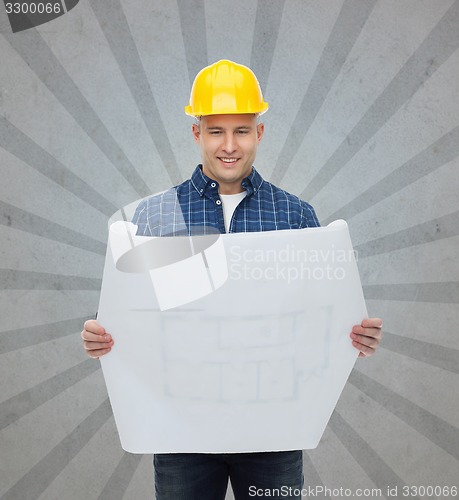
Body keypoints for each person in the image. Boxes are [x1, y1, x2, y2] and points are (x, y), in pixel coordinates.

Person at [81, 60, 383, 499]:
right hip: (180, 430)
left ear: (259, 133)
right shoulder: (155, 217)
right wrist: (100, 333)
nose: (229, 145)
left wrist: (353, 335)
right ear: (196, 133)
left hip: (273, 431)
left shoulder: (295, 217)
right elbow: (132, 312)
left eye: (241, 130)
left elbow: (318, 317)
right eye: (216, 131)